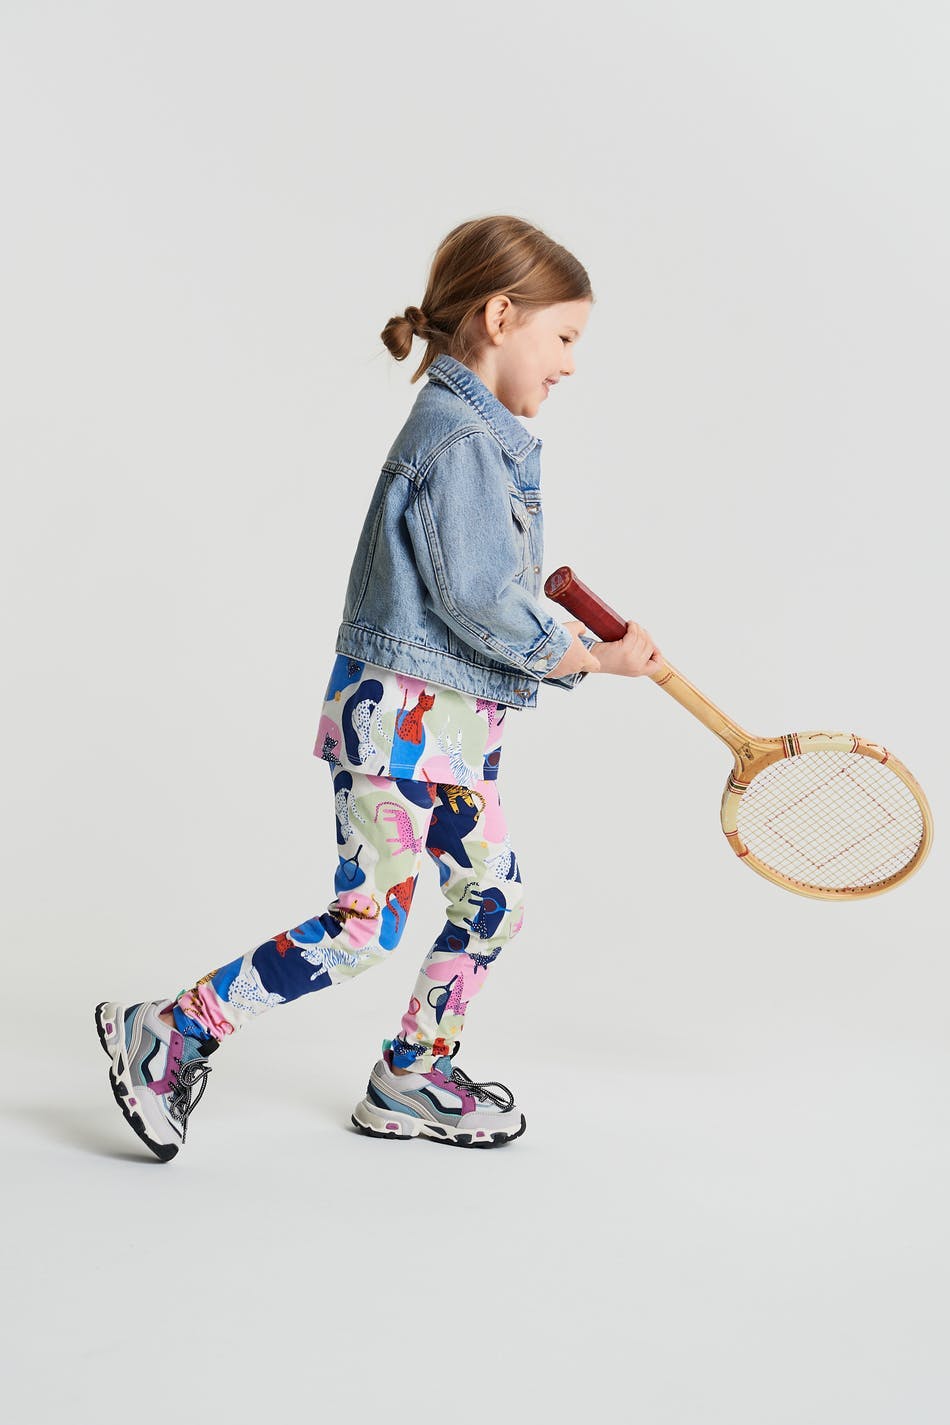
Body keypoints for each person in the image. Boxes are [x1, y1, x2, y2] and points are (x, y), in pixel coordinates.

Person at [94, 214, 661, 1161]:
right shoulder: (457, 437)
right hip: (398, 727)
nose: (571, 363)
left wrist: (573, 647)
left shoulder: (479, 437)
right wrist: (590, 658)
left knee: (492, 901)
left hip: (449, 738)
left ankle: (411, 1072)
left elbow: (483, 596)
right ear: (499, 316)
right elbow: (481, 597)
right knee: (365, 926)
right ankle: (169, 1031)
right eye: (563, 336)